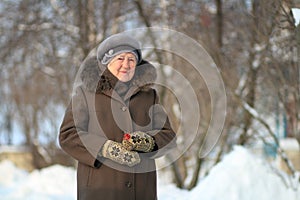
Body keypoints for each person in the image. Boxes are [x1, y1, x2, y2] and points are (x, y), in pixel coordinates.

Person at [59, 33, 177, 200]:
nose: (126, 65)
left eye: (131, 59)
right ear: (107, 63)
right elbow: (68, 135)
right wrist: (104, 148)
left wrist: (149, 142)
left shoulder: (148, 96)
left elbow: (168, 135)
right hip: (100, 189)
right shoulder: (85, 94)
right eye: (120, 58)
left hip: (141, 190)